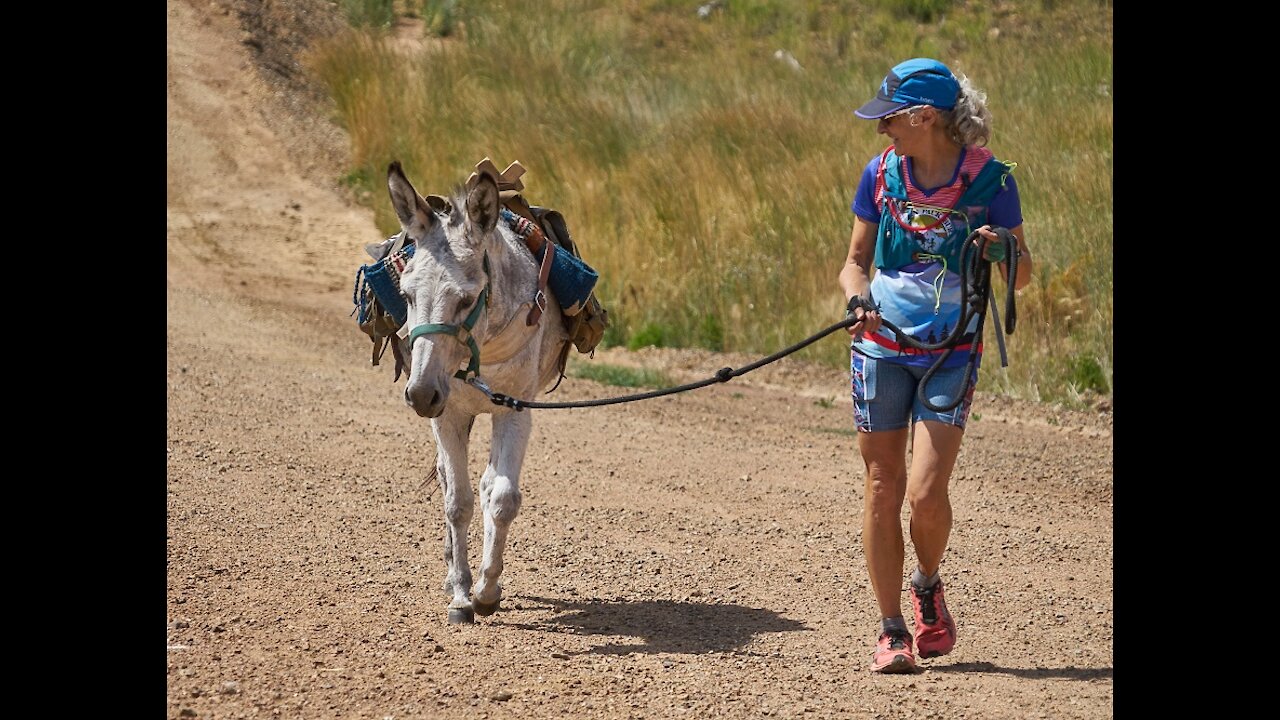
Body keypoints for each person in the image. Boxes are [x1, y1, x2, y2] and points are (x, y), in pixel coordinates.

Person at [837, 58, 1033, 674]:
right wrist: (856, 298)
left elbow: (1023, 275)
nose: (881, 131)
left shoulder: (993, 181)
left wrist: (1004, 249)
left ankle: (927, 583)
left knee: (924, 493)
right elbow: (853, 263)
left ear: (924, 118)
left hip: (953, 352)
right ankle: (892, 628)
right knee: (880, 486)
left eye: (889, 119)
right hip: (880, 347)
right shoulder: (879, 174)